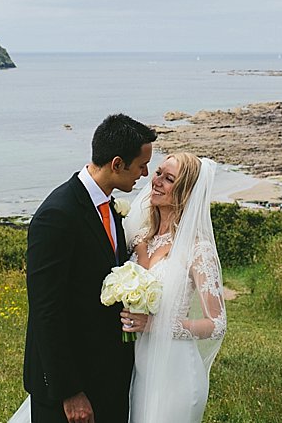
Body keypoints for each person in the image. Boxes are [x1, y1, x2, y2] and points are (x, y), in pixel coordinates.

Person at [13, 114, 156, 423]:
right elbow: (45, 310)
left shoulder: (110, 206)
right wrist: (70, 391)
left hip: (108, 376)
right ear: (117, 164)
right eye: (141, 165)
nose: (145, 174)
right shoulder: (57, 215)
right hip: (70, 388)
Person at [119, 152, 226, 423]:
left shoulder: (198, 249)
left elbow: (217, 324)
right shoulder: (140, 238)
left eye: (169, 179)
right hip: (138, 365)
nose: (156, 182)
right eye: (158, 173)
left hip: (176, 373)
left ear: (185, 193)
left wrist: (156, 325)